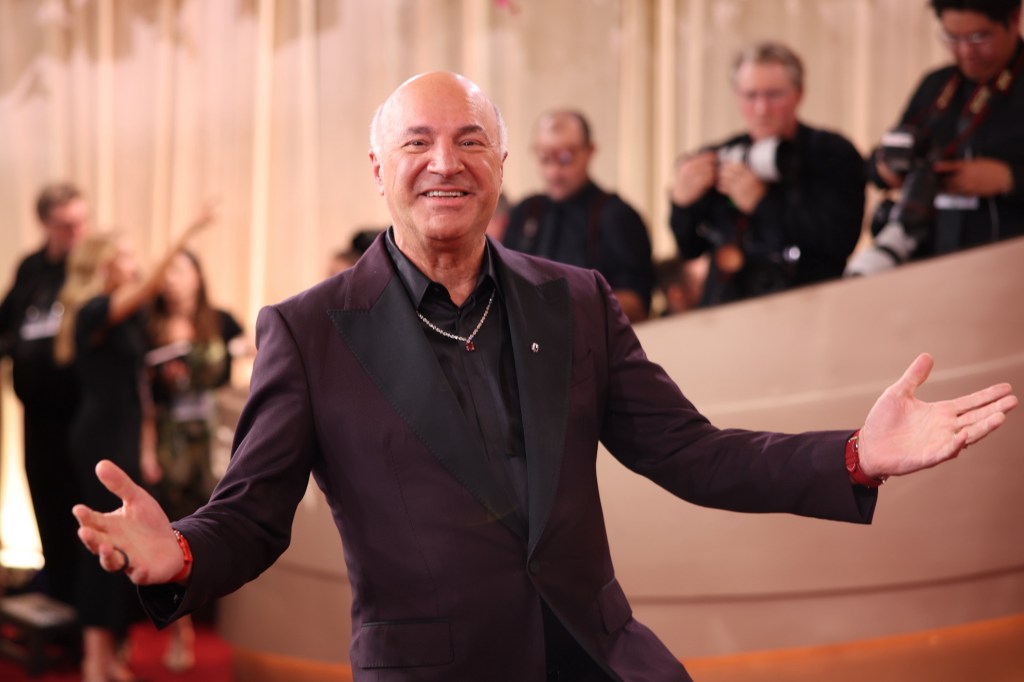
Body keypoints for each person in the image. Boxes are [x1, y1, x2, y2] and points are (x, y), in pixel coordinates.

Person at [72, 72, 1017, 682]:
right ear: (378, 168)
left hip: (601, 658)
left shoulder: (578, 299)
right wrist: (183, 554)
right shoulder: (310, 330)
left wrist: (856, 453)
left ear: (501, 165)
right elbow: (252, 513)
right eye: (418, 144)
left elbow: (693, 453)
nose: (446, 163)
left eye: (470, 141)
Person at [56, 213, 210, 682]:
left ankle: (109, 656)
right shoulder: (92, 311)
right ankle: (95, 661)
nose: (133, 262)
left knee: (123, 543)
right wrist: (186, 233)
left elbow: (137, 387)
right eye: (123, 255)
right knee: (102, 542)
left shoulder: (124, 315)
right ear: (102, 265)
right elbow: (144, 292)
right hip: (98, 438)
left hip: (122, 436)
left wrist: (144, 446)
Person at [670, 42, 866, 307]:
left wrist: (763, 204)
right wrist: (681, 204)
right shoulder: (721, 156)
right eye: (750, 96)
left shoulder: (831, 152)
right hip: (727, 308)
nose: (761, 108)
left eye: (774, 95)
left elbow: (840, 241)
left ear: (798, 94)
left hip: (809, 306)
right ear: (736, 96)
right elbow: (689, 247)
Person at [851, 0, 1024, 274]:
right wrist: (887, 168)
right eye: (952, 38)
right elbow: (884, 156)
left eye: (980, 37)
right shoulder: (937, 86)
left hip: (1009, 268)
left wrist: (1009, 179)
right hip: (931, 263)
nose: (966, 51)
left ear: (1015, 19)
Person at [145, 249, 243, 672]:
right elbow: (143, 399)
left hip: (214, 442)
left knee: (216, 530)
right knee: (170, 535)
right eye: (165, 273)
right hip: (171, 444)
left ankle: (217, 619)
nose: (171, 281)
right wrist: (147, 449)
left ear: (198, 276)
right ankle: (179, 632)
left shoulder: (220, 320)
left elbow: (246, 359)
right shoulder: (150, 326)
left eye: (180, 271)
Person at [0, 182, 89, 606]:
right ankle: (55, 602)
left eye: (81, 222)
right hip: (37, 418)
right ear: (45, 223)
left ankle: (85, 616)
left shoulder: (90, 270)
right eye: (66, 225)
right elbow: (9, 324)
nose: (76, 232)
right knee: (46, 511)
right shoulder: (31, 269)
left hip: (80, 417)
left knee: (81, 515)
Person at [502, 110, 654, 322]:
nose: (553, 172)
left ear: (589, 152)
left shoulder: (617, 216)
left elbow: (637, 303)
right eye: (544, 158)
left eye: (565, 158)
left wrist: (563, 308)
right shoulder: (526, 212)